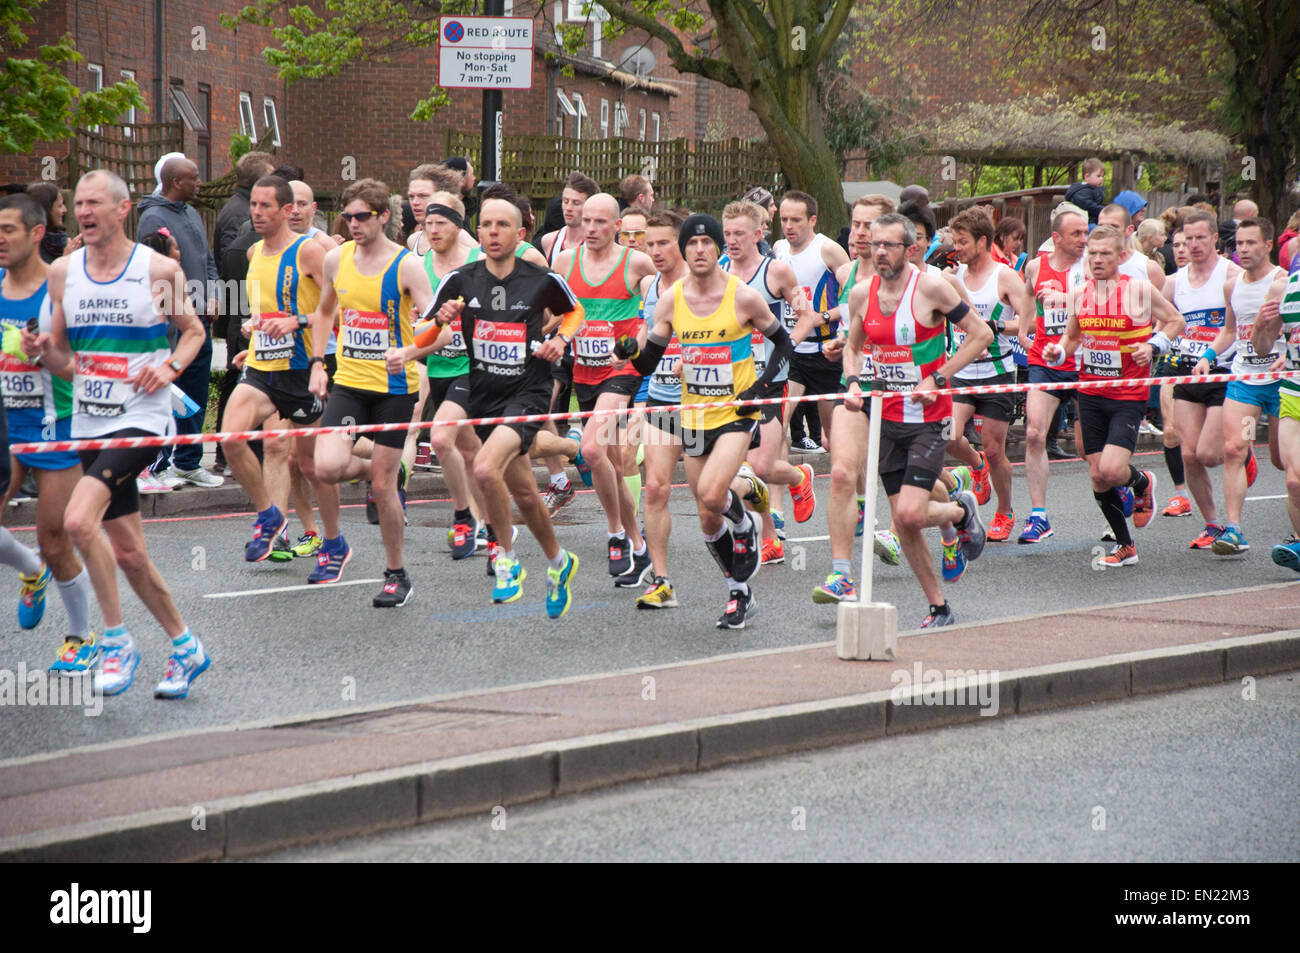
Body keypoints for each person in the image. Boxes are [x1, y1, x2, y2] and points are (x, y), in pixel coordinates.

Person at [27, 169, 210, 698]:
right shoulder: (63, 273)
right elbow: (64, 361)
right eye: (78, 204)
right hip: (90, 420)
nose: (83, 212)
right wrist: (45, 353)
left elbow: (194, 332)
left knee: (78, 519)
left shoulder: (158, 268)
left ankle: (115, 642)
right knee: (129, 553)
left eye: (94, 204)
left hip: (143, 417)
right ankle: (184, 645)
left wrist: (170, 367)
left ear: (122, 208)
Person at [620, 213, 795, 628]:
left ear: (718, 249)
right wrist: (629, 350)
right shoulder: (672, 300)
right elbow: (649, 361)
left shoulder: (743, 297)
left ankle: (746, 523)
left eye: (707, 244)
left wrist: (760, 389)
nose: (699, 250)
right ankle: (740, 592)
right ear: (685, 250)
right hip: (693, 415)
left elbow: (784, 344)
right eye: (692, 244)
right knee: (705, 513)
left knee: (715, 495)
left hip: (736, 413)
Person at [818, 212, 990, 627]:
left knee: (908, 515)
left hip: (928, 419)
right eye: (873, 244)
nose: (878, 251)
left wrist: (939, 377)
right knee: (906, 522)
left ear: (910, 249)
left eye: (888, 245)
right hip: (885, 418)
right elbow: (854, 347)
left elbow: (980, 334)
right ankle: (939, 606)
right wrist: (856, 382)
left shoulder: (931, 287)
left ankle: (960, 513)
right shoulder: (861, 293)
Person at [425, 190, 582, 617]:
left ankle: (506, 558)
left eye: (502, 225)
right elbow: (425, 333)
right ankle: (558, 561)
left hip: (527, 393)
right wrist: (436, 323)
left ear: (520, 232)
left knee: (482, 467)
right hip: (484, 396)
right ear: (478, 233)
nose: (493, 232)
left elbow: (574, 312)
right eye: (487, 225)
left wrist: (560, 341)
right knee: (528, 496)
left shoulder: (540, 279)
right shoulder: (461, 279)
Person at [309, 179, 436, 607]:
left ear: (383, 216)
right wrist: (316, 365)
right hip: (349, 384)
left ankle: (396, 573)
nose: (353, 224)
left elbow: (443, 328)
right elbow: (324, 311)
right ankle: (380, 471)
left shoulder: (406, 266)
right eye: (347, 216)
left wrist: (411, 351)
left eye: (362, 216)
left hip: (394, 390)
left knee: (383, 488)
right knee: (325, 467)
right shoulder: (335, 259)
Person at [217, 175, 347, 580]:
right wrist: (253, 333)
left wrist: (297, 322)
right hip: (262, 367)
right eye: (253, 205)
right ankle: (269, 516)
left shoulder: (309, 253)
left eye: (265, 206)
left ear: (287, 210)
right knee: (232, 439)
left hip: (302, 371)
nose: (256, 212)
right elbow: (267, 311)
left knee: (313, 467)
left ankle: (334, 541)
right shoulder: (254, 252)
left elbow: (340, 310)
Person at [1043, 224, 1185, 567]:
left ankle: (1140, 481)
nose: (1096, 259)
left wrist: (1153, 345)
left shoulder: (1138, 290)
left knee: (1110, 468)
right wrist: (1058, 353)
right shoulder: (1080, 293)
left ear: (1122, 256)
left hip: (1127, 394)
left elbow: (1175, 321)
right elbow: (1073, 339)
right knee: (1097, 474)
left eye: (1105, 253)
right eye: (1092, 252)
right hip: (1090, 391)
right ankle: (1125, 545)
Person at [0, 192, 96, 668]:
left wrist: (43, 354)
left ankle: (81, 637)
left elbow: (82, 369)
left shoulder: (58, 293)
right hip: (4, 424)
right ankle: (31, 570)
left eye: (8, 230)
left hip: (52, 426)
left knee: (56, 538)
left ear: (36, 234)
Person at [553, 193, 656, 584]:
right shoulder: (565, 262)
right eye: (586, 220)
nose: (591, 228)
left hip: (621, 371)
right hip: (584, 373)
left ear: (617, 226)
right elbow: (556, 313)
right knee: (609, 464)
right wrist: (553, 339)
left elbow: (657, 307)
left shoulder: (636, 262)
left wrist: (639, 340)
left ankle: (615, 534)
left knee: (591, 448)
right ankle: (638, 545)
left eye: (600, 222)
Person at [723, 200, 819, 564]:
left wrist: (788, 344)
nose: (732, 241)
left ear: (758, 235)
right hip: (729, 381)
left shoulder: (775, 271)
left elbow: (806, 315)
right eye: (727, 234)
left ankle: (797, 477)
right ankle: (770, 536)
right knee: (741, 468)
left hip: (769, 379)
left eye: (739, 234)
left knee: (761, 467)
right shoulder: (717, 271)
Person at [1195, 217, 1287, 556]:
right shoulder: (1232, 285)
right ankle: (1234, 529)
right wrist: (1208, 355)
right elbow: (1230, 332)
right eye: (1239, 244)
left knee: (1283, 461)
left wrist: (1288, 355)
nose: (1243, 250)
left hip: (1281, 383)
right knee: (1234, 449)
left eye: (1251, 243)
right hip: (1245, 379)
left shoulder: (1282, 282)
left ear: (1267, 245)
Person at [946, 207, 1035, 542]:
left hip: (997, 372)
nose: (959, 248)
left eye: (964, 242)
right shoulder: (952, 279)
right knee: (950, 437)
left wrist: (997, 326)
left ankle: (1005, 510)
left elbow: (1031, 322)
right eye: (955, 242)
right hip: (962, 370)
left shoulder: (1004, 276)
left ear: (982, 241)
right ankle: (976, 466)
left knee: (995, 449)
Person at [135, 155, 223, 488]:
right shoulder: (152, 217)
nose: (199, 183)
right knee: (169, 394)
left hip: (200, 320)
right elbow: (153, 266)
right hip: (174, 325)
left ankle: (189, 462)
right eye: (194, 178)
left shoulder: (190, 213)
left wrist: (214, 294)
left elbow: (207, 260)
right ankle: (158, 464)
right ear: (175, 182)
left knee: (195, 394)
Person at [1162, 209, 1243, 549]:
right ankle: (1213, 524)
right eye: (1187, 239)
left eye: (1199, 238)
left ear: (1214, 239)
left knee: (1211, 454)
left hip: (1225, 370)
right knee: (1190, 454)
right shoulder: (1174, 281)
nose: (1193, 245)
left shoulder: (1233, 275)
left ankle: (1244, 450)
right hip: (1187, 371)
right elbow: (1158, 321)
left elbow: (1240, 327)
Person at [420, 191, 489, 558]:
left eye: (441, 223)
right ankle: (491, 522)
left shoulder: (479, 262)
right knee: (469, 449)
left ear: (458, 225)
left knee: (442, 438)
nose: (432, 230)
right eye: (428, 223)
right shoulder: (418, 266)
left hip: (472, 370)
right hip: (434, 366)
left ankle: (463, 516)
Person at [1017, 208, 1089, 543]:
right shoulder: (1036, 266)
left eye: (1085, 233)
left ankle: (1131, 486)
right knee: (1033, 434)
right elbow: (1028, 295)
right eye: (1076, 234)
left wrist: (1064, 298)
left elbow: (1101, 297)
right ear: (1056, 238)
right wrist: (1022, 329)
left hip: (1083, 362)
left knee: (1088, 449)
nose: (1083, 240)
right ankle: (1039, 515)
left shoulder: (1090, 267)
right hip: (1044, 360)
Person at [632, 210, 689, 608]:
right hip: (662, 399)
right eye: (649, 244)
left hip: (704, 404)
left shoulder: (703, 285)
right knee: (655, 489)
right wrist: (628, 353)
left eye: (663, 243)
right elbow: (645, 335)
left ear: (682, 243)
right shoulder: (651, 285)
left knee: (711, 497)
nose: (654, 251)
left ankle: (746, 503)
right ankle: (661, 580)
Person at [774, 190, 850, 454]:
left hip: (825, 353)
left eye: (796, 220)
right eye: (784, 220)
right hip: (793, 349)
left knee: (833, 438)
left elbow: (855, 301)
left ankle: (857, 491)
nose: (788, 226)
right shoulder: (779, 249)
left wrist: (824, 316)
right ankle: (784, 490)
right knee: (777, 424)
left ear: (812, 220)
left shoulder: (828, 250)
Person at [1250, 248, 1300, 571]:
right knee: (1294, 480)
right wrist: (1261, 325)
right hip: (1294, 391)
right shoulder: (1286, 287)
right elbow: (1263, 348)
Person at [26, 183, 69, 263]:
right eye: (60, 206)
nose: (65, 210)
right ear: (46, 210)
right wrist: (66, 259)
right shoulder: (31, 247)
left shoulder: (61, 241)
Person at [1064, 158, 1106, 225]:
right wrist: (1103, 210)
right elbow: (1089, 206)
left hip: (1093, 220)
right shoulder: (1081, 192)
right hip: (1085, 221)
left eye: (1103, 176)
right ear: (1087, 176)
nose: (1101, 179)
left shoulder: (1095, 189)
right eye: (1098, 176)